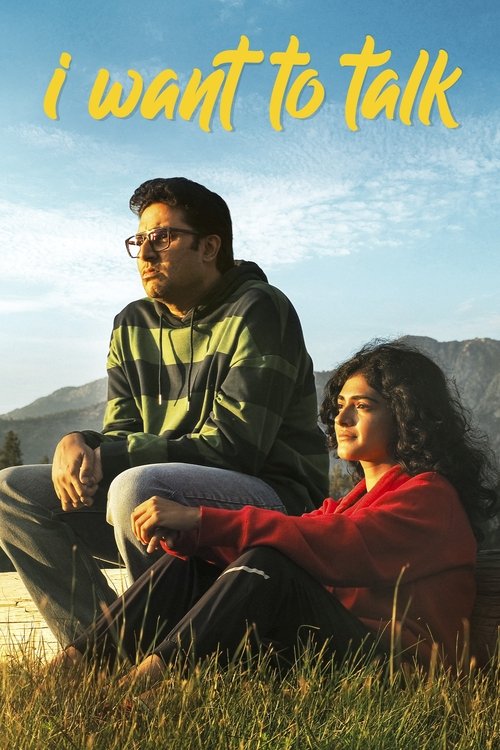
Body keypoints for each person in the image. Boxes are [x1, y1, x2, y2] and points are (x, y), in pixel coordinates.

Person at [55, 341, 498, 689]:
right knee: (192, 563)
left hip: (399, 670)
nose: (341, 417)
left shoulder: (430, 496)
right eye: (340, 404)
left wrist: (201, 519)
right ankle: (76, 667)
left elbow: (341, 546)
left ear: (405, 415)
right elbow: (309, 534)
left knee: (269, 563)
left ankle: (147, 682)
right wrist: (195, 541)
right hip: (335, 649)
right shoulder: (350, 501)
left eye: (363, 406)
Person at [0, 177, 329, 645]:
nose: (146, 254)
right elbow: (122, 432)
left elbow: (237, 449)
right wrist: (83, 444)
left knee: (138, 486)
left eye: (163, 237)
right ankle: (106, 649)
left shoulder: (260, 308)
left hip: (275, 499)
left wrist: (111, 455)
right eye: (139, 241)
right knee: (12, 491)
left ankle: (173, 651)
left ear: (209, 247)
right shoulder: (131, 324)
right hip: (163, 489)